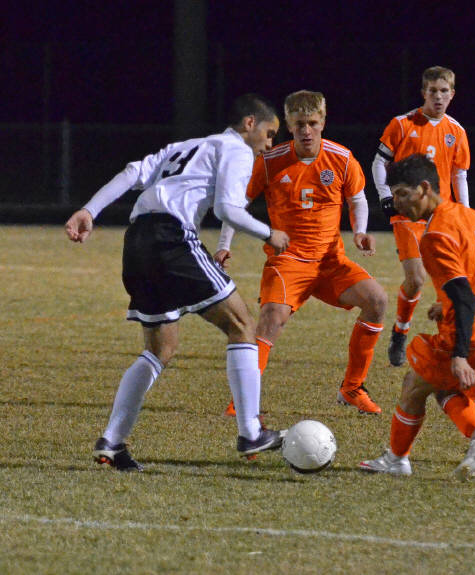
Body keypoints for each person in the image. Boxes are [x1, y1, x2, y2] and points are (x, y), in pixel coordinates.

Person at [65, 93, 290, 471]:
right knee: (242, 326)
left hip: (137, 241)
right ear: (250, 123)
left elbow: (132, 173)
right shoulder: (237, 150)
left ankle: (112, 441)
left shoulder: (184, 146)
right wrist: (270, 233)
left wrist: (90, 209)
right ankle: (250, 431)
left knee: (160, 349)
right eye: (269, 134)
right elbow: (227, 208)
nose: (270, 144)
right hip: (172, 238)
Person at [218, 90, 387, 415]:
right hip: (288, 262)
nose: (306, 130)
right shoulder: (269, 161)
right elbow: (237, 205)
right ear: (288, 125)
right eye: (299, 124)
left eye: (312, 123)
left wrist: (360, 231)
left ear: (322, 121)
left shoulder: (341, 158)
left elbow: (357, 199)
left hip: (330, 262)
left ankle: (352, 388)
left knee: (377, 300)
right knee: (271, 318)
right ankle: (242, 402)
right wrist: (224, 245)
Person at [360, 154, 475, 479]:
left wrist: (460, 355)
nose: (397, 204)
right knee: (442, 386)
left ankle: (398, 459)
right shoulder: (470, 216)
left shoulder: (434, 236)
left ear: (425, 188)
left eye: (403, 194)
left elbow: (464, 296)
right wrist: (443, 302)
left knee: (414, 383)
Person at [372, 66, 471, 366]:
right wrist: (386, 196)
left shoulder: (456, 131)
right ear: (423, 93)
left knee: (448, 283)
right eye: (432, 91)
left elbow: (459, 175)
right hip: (407, 212)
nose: (438, 97)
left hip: (440, 216)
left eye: (444, 91)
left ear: (452, 94)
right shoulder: (402, 124)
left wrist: (464, 213)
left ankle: (449, 345)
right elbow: (379, 163)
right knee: (416, 279)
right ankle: (400, 332)